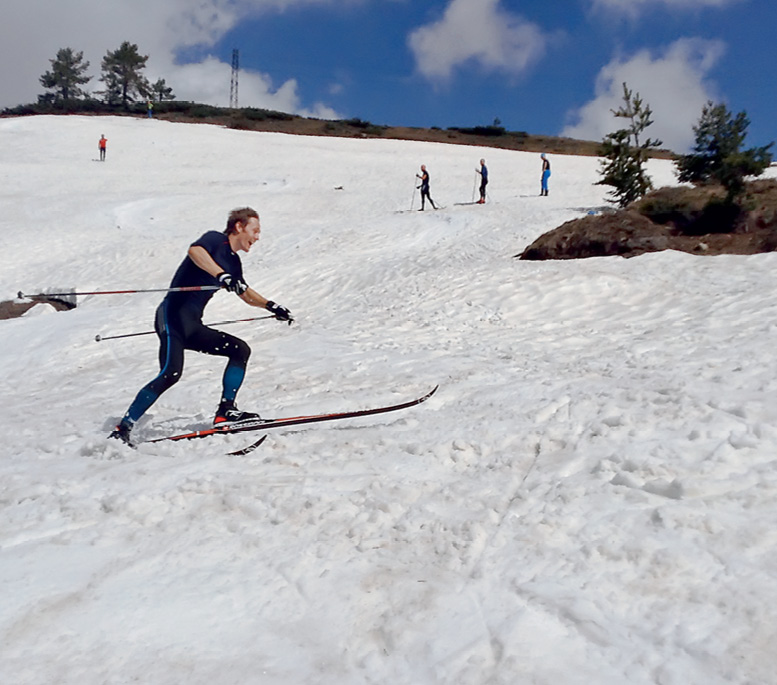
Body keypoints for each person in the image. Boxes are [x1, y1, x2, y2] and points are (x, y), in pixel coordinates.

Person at [109, 207, 293, 446]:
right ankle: (123, 428)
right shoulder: (215, 240)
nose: (257, 237)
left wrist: (271, 306)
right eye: (255, 230)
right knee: (170, 373)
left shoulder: (234, 263)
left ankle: (225, 411)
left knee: (240, 350)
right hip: (171, 317)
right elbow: (195, 252)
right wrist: (221, 275)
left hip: (192, 325)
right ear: (239, 227)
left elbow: (244, 293)